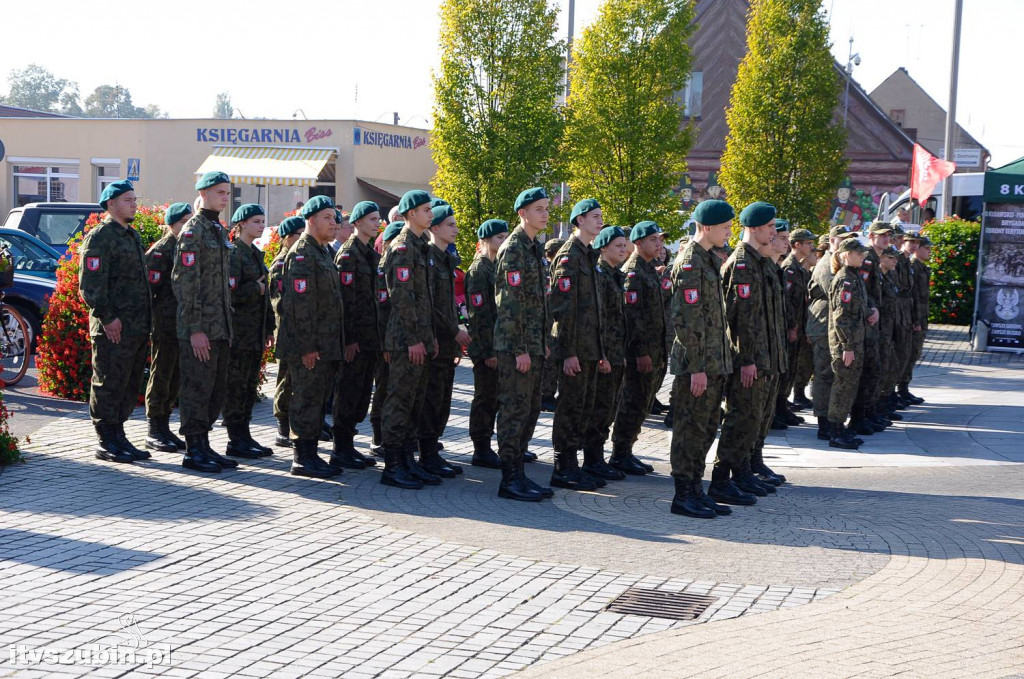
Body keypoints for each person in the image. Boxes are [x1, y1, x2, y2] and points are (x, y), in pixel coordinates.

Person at [711, 202, 786, 505]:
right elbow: (740, 320)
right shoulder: (741, 263)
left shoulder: (759, 262)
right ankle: (720, 479)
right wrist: (747, 360)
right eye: (770, 227)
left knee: (753, 419)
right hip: (750, 361)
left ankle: (741, 472)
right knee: (740, 418)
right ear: (754, 228)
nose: (774, 232)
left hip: (765, 358)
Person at [667, 200, 736, 518]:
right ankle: (683, 495)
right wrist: (697, 367)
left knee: (706, 427)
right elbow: (686, 320)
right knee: (690, 429)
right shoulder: (690, 262)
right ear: (707, 227)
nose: (729, 232)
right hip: (697, 366)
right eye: (725, 227)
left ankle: (696, 488)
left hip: (712, 363)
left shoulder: (707, 260)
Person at [79, 179, 152, 463]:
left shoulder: (131, 236)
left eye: (134, 199)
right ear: (111, 204)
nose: (134, 204)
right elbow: (90, 285)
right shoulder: (100, 237)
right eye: (128, 200)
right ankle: (106, 439)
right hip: (112, 327)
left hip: (135, 327)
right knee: (108, 382)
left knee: (128, 382)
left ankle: (119, 434)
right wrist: (108, 318)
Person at [172, 171, 237, 473]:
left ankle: (205, 445)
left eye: (227, 192)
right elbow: (185, 283)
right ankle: (193, 450)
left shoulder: (217, 229)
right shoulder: (193, 231)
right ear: (204, 193)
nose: (226, 197)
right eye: (220, 192)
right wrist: (195, 328)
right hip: (200, 329)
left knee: (216, 390)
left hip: (220, 326)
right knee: (197, 388)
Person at [493, 187, 555, 501]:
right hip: (516, 348)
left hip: (533, 345)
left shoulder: (533, 247)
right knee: (514, 412)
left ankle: (520, 473)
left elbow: (538, 304)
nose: (545, 213)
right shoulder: (514, 249)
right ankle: (509, 479)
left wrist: (541, 342)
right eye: (539, 209)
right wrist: (519, 349)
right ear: (523, 213)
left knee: (530, 410)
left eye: (546, 208)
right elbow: (509, 305)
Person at [277, 195, 344, 478]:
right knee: (306, 398)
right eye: (328, 218)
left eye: (335, 218)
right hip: (310, 346)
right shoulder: (302, 253)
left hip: (325, 344)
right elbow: (298, 305)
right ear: (312, 220)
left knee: (317, 399)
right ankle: (302, 457)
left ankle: (312, 452)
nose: (334, 223)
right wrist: (307, 346)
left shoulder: (322, 251)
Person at [379, 190, 440, 489]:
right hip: (405, 340)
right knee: (400, 400)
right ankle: (392, 466)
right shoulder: (403, 247)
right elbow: (402, 299)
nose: (431, 214)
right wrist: (416, 339)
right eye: (426, 210)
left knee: (414, 402)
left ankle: (406, 460)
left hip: (420, 338)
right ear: (411, 214)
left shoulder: (421, 246)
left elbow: (424, 300)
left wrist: (429, 338)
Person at [550, 199, 612, 486]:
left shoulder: (589, 255)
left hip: (589, 348)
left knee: (584, 407)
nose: (600, 221)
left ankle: (574, 465)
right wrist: (568, 353)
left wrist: (598, 351)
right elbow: (562, 310)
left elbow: (593, 309)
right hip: (575, 349)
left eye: (601, 217)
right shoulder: (569, 256)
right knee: (571, 407)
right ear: (580, 220)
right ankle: (563, 467)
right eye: (595, 217)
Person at [608, 221, 668, 477]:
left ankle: (627, 451)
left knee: (642, 401)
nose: (659, 244)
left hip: (654, 349)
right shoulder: (633, 271)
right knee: (633, 401)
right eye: (654, 239)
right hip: (639, 353)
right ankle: (620, 453)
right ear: (639, 243)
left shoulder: (649, 268)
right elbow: (633, 316)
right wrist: (642, 351)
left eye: (660, 239)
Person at [416, 203, 472, 476]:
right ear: (434, 228)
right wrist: (453, 332)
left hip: (446, 342)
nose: (456, 230)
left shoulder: (445, 258)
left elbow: (449, 304)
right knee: (431, 400)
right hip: (435, 341)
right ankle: (426, 454)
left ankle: (433, 451)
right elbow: (431, 306)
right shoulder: (428, 257)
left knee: (442, 400)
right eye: (450, 224)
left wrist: (455, 334)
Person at [330, 201, 382, 471]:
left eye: (378, 219)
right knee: (348, 392)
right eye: (372, 219)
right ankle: (340, 449)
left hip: (370, 338)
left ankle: (349, 446)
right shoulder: (349, 255)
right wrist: (349, 339)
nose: (377, 223)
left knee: (361, 394)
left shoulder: (371, 254)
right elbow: (345, 302)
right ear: (358, 222)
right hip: (355, 339)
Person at [222, 204, 275, 459]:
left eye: (263, 221)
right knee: (236, 385)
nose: (261, 225)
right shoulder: (235, 254)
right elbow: (230, 294)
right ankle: (235, 438)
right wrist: (255, 289)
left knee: (248, 386)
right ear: (241, 224)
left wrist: (268, 327)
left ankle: (244, 434)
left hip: (254, 332)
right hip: (239, 332)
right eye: (256, 221)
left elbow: (266, 295)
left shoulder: (254, 253)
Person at [144, 201, 192, 454]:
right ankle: (154, 428)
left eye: (189, 221)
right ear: (172, 224)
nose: (187, 226)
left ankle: (164, 425)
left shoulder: (185, 248)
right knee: (161, 373)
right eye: (183, 222)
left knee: (174, 375)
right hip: (165, 322)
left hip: (181, 322)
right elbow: (149, 289)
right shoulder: (162, 250)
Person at [582, 226, 629, 478]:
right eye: (618, 246)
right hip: (605, 355)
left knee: (608, 407)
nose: (623, 249)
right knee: (599, 408)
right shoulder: (600, 275)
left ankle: (597, 458)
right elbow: (599, 318)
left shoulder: (614, 274)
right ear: (603, 247)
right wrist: (604, 354)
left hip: (615, 352)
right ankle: (592, 459)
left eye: (624, 245)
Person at [465, 219, 509, 468]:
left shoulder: (497, 266)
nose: (503, 241)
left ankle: (494, 445)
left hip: (499, 345)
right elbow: (479, 316)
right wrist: (488, 351)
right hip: (486, 348)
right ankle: (480, 447)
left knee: (496, 398)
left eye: (505, 236)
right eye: (498, 237)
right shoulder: (479, 270)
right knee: (485, 398)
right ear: (485, 241)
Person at [827, 238, 871, 449]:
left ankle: (841, 427)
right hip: (846, 345)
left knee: (850, 386)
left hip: (855, 342)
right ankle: (835, 432)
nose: (862, 256)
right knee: (843, 387)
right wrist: (848, 347)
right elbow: (841, 317)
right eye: (858, 253)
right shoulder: (844, 279)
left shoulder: (855, 277)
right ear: (846, 254)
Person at [368, 220, 405, 457]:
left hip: (396, 340)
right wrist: (385, 344)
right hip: (387, 341)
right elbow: (383, 311)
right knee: (384, 389)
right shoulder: (383, 269)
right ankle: (378, 437)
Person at [269, 216, 305, 448]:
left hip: (298, 330)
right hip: (286, 331)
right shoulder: (281, 264)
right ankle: (282, 426)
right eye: (299, 234)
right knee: (286, 379)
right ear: (289, 238)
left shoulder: (298, 261)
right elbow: (279, 302)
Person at [849, 221, 887, 435]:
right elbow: (863, 291)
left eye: (888, 236)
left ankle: (866, 414)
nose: (886, 239)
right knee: (868, 371)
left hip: (873, 322)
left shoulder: (875, 258)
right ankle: (858, 417)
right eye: (882, 235)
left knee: (874, 369)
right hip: (865, 323)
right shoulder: (868, 259)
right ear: (871, 236)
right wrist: (871, 309)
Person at [775, 228, 816, 424]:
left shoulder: (799, 267)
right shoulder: (789, 268)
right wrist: (792, 326)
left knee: (792, 368)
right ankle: (779, 407)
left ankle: (783, 406)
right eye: (808, 243)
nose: (811, 247)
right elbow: (787, 301)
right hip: (791, 328)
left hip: (799, 327)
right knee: (786, 368)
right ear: (797, 245)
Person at [902, 235, 932, 403]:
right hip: (913, 319)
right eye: (926, 248)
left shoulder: (919, 267)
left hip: (919, 317)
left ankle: (904, 387)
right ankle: (901, 388)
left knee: (913, 354)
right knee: (908, 353)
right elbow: (912, 296)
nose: (928, 251)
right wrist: (916, 321)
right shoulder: (913, 266)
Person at [539, 236, 566, 412]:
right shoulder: (547, 271)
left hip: (554, 322)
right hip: (547, 323)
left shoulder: (554, 270)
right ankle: (545, 396)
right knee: (549, 363)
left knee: (554, 362)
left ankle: (548, 395)